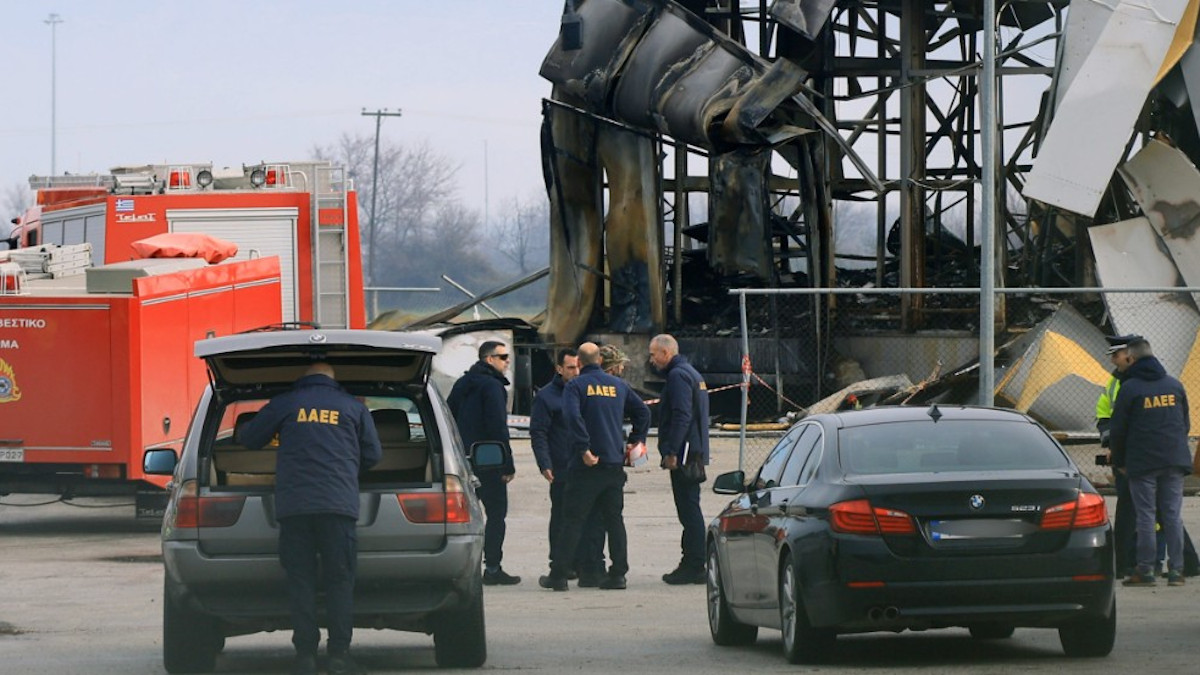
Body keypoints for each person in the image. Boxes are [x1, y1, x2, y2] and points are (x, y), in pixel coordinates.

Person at [238, 361, 380, 675]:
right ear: (333, 379)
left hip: (295, 508)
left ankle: (305, 657)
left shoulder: (285, 403)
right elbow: (373, 455)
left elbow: (249, 439)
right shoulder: (353, 407)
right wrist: (344, 466)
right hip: (338, 507)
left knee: (300, 580)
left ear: (303, 378)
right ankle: (339, 656)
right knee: (339, 581)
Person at [539, 342, 650, 591]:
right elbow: (643, 413)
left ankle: (559, 575)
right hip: (613, 464)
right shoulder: (618, 385)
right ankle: (618, 574)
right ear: (599, 360)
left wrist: (584, 448)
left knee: (572, 520)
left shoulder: (576, 386)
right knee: (614, 521)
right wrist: (635, 441)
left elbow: (572, 417)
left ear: (579, 362)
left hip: (586, 466)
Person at [1098, 334, 1200, 578]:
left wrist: (1120, 460)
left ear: (1130, 357)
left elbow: (1119, 429)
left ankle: (1144, 569)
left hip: (1141, 462)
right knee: (1171, 514)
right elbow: (1184, 423)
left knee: (1143, 515)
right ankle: (1179, 568)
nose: (1113, 360)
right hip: (1173, 459)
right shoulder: (1174, 384)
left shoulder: (1129, 387)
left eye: (1117, 355)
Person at [447, 340, 521, 586]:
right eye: (503, 357)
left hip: (462, 460)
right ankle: (492, 568)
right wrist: (507, 464)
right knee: (496, 514)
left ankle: (461, 569)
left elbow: (448, 417)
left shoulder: (462, 383)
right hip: (489, 461)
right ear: (489, 359)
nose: (507, 361)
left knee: (464, 517)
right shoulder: (493, 387)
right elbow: (498, 427)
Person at [529, 348, 605, 585]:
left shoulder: (587, 391)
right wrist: (544, 463)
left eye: (579, 367)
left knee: (589, 518)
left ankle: (585, 563)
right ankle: (561, 563)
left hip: (587, 467)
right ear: (559, 369)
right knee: (562, 517)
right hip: (562, 467)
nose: (576, 372)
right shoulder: (546, 397)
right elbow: (539, 433)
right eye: (571, 367)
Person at [648, 334, 711, 585]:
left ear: (666, 353)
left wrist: (672, 451)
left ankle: (694, 564)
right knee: (690, 508)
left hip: (685, 453)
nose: (651, 360)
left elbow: (681, 415)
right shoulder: (691, 373)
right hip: (694, 450)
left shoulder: (677, 376)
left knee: (688, 510)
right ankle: (694, 562)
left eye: (653, 354)